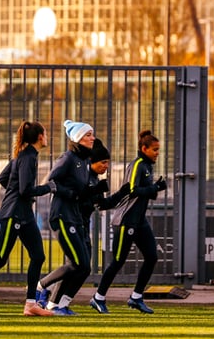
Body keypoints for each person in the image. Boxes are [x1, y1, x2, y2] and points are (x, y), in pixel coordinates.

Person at [0, 120, 55, 317]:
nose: (47, 137)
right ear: (40, 137)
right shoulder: (27, 157)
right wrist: (48, 187)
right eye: (46, 134)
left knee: (38, 256)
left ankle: (30, 304)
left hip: (24, 215)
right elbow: (24, 190)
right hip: (14, 213)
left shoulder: (23, 156)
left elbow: (3, 179)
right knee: (0, 258)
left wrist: (17, 190)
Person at [38, 136, 120, 314]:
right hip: (68, 220)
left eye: (108, 162)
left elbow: (101, 204)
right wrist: (92, 191)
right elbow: (75, 194)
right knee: (77, 264)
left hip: (81, 224)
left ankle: (61, 304)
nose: (106, 166)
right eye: (103, 162)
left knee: (83, 268)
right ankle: (43, 289)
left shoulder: (93, 179)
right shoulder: (76, 167)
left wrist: (123, 193)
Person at [90, 129, 167, 315]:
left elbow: (148, 192)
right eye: (155, 149)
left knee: (152, 257)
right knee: (117, 261)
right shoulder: (138, 164)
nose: (158, 153)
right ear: (144, 148)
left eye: (158, 150)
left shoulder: (148, 166)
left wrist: (155, 188)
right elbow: (133, 190)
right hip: (126, 220)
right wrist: (155, 187)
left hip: (139, 221)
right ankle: (98, 298)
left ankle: (136, 297)